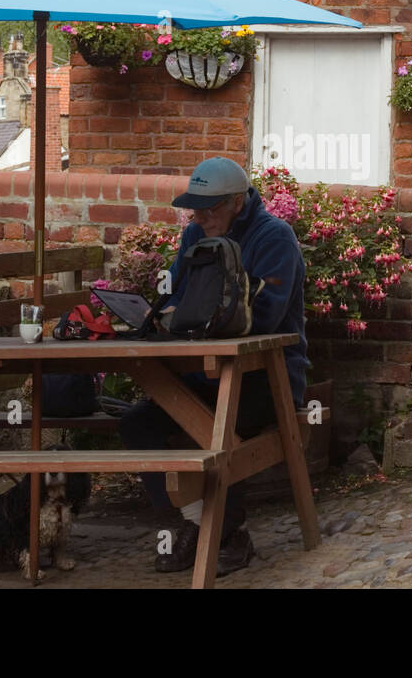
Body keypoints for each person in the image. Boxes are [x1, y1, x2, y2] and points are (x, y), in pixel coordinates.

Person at [118, 156, 307, 576]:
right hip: (204, 376)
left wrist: (201, 323)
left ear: (238, 202)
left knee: (209, 422)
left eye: (210, 208)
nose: (200, 217)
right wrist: (155, 318)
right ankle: (196, 524)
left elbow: (268, 319)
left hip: (266, 380)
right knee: (136, 423)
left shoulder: (275, 238)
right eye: (195, 208)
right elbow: (175, 297)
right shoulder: (194, 235)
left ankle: (226, 534)